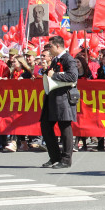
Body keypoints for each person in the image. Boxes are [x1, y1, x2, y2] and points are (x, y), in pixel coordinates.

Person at [40, 36, 78, 169]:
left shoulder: (68, 59)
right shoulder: (56, 60)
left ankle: (66, 159)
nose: (49, 49)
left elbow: (73, 76)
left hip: (64, 98)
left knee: (65, 127)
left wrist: (54, 76)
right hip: (53, 97)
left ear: (57, 46)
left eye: (50, 46)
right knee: (45, 125)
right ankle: (55, 156)